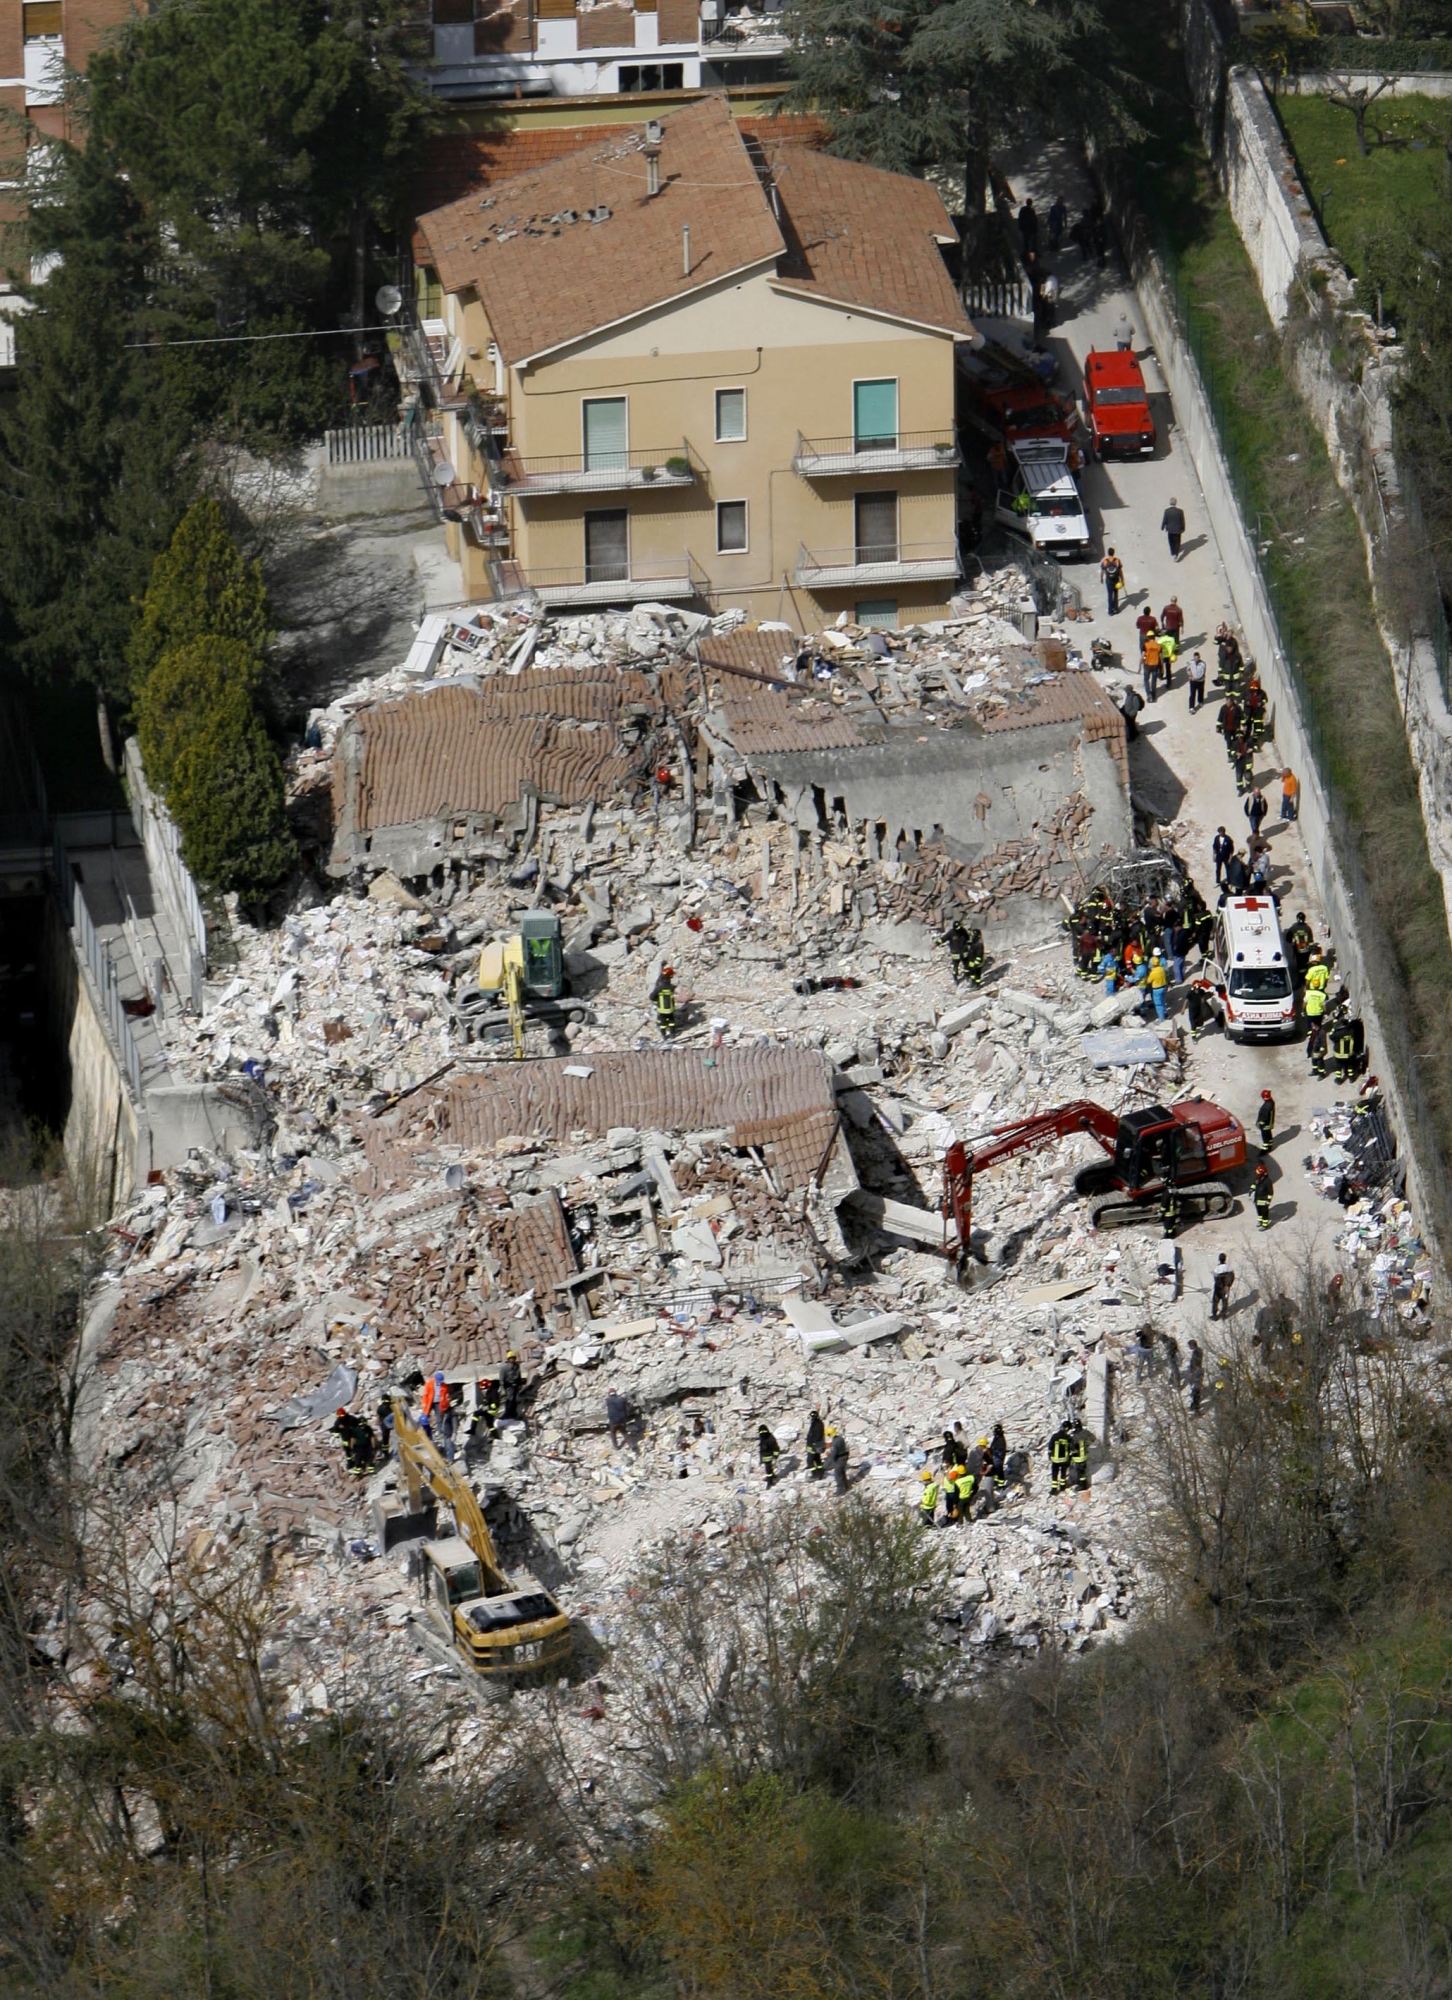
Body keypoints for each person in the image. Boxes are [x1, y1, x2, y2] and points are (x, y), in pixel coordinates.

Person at [330, 1407, 374, 1476]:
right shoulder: (338, 1422)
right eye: (340, 1416)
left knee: (357, 1452)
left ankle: (361, 1462)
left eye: (342, 1416)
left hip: (354, 1438)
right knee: (348, 1453)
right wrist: (336, 1434)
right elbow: (335, 1430)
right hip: (345, 1439)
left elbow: (359, 1424)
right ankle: (350, 1462)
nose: (341, 1417)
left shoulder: (351, 1419)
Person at [420, 1370, 450, 1439]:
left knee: (439, 1418)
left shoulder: (444, 1386)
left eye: (441, 1382)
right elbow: (425, 1395)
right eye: (438, 1381)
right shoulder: (429, 1384)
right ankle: (424, 1430)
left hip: (438, 1403)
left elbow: (445, 1396)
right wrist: (424, 1404)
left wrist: (445, 1405)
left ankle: (440, 1432)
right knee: (425, 1416)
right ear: (435, 1379)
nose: (439, 1383)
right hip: (429, 1402)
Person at [1332, 1014, 1359, 1085]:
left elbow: (1331, 1036)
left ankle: (1338, 1079)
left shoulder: (1338, 1033)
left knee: (1338, 1067)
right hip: (1349, 1053)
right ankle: (1351, 1078)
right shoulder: (1351, 1031)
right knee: (1350, 1065)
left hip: (1339, 1054)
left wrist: (1333, 1028)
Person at [652, 965, 677, 1038]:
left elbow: (651, 997)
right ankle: (672, 1034)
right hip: (670, 1009)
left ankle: (664, 1036)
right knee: (671, 1022)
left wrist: (656, 999)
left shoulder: (659, 988)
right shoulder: (672, 987)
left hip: (662, 1010)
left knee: (662, 1023)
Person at [1286, 911, 1314, 976]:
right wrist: (1312, 950)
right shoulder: (1307, 928)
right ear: (1304, 919)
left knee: (1300, 964)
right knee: (1306, 962)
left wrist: (1292, 942)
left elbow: (1288, 938)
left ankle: (1301, 977)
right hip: (1306, 950)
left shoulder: (1294, 928)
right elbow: (1311, 941)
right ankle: (1306, 973)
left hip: (1298, 950)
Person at [500, 1349, 523, 1422]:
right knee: (509, 1400)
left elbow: (519, 1375)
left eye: (513, 1358)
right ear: (508, 1359)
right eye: (511, 1358)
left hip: (515, 1386)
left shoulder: (516, 1366)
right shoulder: (504, 1367)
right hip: (509, 1386)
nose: (512, 1360)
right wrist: (503, 1387)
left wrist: (519, 1384)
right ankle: (507, 1414)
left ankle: (514, 1414)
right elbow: (502, 1378)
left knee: (515, 1401)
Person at [1146, 949, 1170, 1020]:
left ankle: (1161, 1018)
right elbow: (1167, 973)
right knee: (1162, 1001)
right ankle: (1165, 1013)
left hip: (1156, 989)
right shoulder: (1162, 969)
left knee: (1158, 1004)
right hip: (1163, 986)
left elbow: (1148, 981)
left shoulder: (1153, 972)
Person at [825, 1426, 849, 1495]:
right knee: (842, 1472)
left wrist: (826, 1465)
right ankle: (846, 1486)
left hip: (840, 1458)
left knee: (838, 1473)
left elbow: (833, 1455)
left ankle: (840, 1490)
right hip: (844, 1456)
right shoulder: (840, 1438)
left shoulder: (835, 1442)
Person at [1101, 546, 1125, 615]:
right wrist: (1122, 579)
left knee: (1110, 595)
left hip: (1109, 580)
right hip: (1116, 579)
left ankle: (1110, 611)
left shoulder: (1105, 561)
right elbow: (1120, 571)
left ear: (1108, 553)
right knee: (1116, 594)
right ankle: (1116, 609)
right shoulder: (1117, 560)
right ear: (1113, 553)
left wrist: (1101, 578)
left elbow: (1102, 571)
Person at [1210, 1254, 1234, 1321]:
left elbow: (1215, 1278)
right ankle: (1224, 1315)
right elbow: (1232, 1277)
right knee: (1225, 1301)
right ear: (1225, 1259)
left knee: (1215, 1301)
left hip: (1218, 1288)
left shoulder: (1217, 1269)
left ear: (1219, 1259)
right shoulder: (1229, 1268)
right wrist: (1228, 1285)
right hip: (1226, 1288)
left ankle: (1215, 1316)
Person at [1049, 1423, 1072, 1493]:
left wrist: (1050, 1455)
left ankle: (1054, 1489)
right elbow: (1070, 1449)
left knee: (1055, 1474)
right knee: (1063, 1473)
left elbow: (1050, 1446)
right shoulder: (1068, 1437)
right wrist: (1069, 1459)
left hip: (1055, 1460)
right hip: (1064, 1460)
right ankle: (1062, 1487)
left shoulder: (1055, 1436)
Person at [1142, 629, 1164, 700]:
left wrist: (1140, 665)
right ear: (1154, 637)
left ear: (1148, 637)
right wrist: (1162, 667)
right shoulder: (1158, 646)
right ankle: (1154, 695)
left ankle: (1149, 695)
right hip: (1155, 665)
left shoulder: (1145, 645)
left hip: (1147, 665)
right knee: (1154, 680)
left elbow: (1142, 655)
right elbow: (1161, 657)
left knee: (1146, 680)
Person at [1253, 1161, 1274, 1231]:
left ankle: (1265, 1225)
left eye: (1259, 1173)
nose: (1257, 1174)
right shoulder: (1258, 1178)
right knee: (1259, 1211)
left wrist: (1268, 1201)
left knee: (1264, 1212)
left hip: (1263, 1200)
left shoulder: (1267, 1181)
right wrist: (1251, 1188)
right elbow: (1254, 1184)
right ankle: (1260, 1220)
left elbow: (1270, 1192)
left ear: (1262, 1174)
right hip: (1257, 1199)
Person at [805, 1405, 825, 1478]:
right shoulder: (818, 1423)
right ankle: (820, 1472)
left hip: (814, 1446)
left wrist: (812, 1444)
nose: (810, 1420)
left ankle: (815, 1474)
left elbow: (816, 1436)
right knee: (817, 1459)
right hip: (816, 1445)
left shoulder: (817, 1425)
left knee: (810, 1461)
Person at [1256, 1089, 1276, 1153]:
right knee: (1269, 1135)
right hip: (1269, 1124)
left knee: (1265, 1137)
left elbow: (1265, 1117)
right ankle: (1270, 1144)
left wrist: (1260, 1123)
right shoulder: (1271, 1102)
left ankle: (1265, 1149)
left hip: (1265, 1125)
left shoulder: (1266, 1107)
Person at [989, 1423, 1008, 1488]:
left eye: (994, 1431)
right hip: (995, 1458)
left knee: (999, 1471)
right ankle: (996, 1481)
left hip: (998, 1458)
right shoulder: (997, 1437)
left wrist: (993, 1454)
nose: (993, 1433)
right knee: (995, 1470)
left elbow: (999, 1451)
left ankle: (1001, 1485)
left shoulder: (1000, 1440)